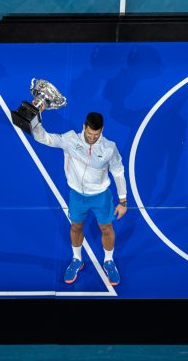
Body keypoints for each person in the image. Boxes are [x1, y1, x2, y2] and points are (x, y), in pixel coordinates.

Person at [31, 111, 127, 286]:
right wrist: (36, 118)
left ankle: (108, 261)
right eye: (89, 134)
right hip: (77, 195)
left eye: (96, 135)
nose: (92, 138)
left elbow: (118, 171)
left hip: (101, 196)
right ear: (84, 127)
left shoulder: (109, 147)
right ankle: (77, 259)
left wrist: (123, 200)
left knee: (106, 228)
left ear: (102, 130)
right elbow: (44, 138)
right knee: (76, 227)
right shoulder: (70, 139)